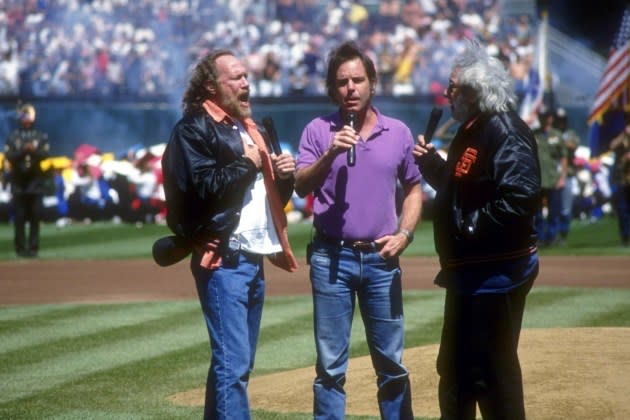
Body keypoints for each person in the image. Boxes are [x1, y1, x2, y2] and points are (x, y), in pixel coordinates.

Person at [159, 49, 298, 419]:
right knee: (232, 367)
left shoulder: (248, 127)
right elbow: (201, 187)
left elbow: (265, 201)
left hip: (252, 258)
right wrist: (246, 163)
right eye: (235, 77)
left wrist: (285, 178)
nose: (245, 83)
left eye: (246, 76)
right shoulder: (192, 128)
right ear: (211, 85)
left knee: (234, 365)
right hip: (224, 258)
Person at [413, 38, 541, 420]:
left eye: (453, 87)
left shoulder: (503, 130)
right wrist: (434, 166)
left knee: (492, 376)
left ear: (473, 92)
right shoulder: (472, 128)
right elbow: (465, 187)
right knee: (455, 371)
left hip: (495, 274)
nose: (447, 94)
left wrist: (467, 227)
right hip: (469, 273)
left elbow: (520, 198)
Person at [295, 41, 422, 419]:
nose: (350, 88)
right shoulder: (318, 131)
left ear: (372, 83)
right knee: (331, 368)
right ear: (333, 89)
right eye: (342, 82)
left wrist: (405, 233)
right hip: (331, 257)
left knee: (392, 365)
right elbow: (301, 185)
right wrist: (331, 153)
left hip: (382, 259)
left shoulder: (397, 131)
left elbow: (414, 187)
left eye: (357, 80)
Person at [4, 103, 50, 257]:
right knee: (20, 217)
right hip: (19, 182)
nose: (26, 119)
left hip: (35, 182)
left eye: (28, 115)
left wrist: (34, 150)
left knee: (35, 216)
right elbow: (9, 156)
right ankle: (20, 248)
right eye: (23, 116)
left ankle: (34, 247)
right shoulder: (13, 137)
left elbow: (45, 155)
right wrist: (23, 151)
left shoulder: (40, 136)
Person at [534, 106, 568, 247]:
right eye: (541, 116)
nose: (543, 119)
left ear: (551, 118)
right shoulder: (533, 134)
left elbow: (564, 158)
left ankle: (552, 237)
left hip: (553, 179)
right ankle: (540, 238)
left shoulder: (557, 135)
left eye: (546, 116)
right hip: (537, 180)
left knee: (554, 211)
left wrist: (562, 178)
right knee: (538, 213)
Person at [554, 107, 580, 245]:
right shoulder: (552, 133)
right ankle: (551, 236)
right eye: (558, 120)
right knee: (554, 209)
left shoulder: (570, 134)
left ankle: (563, 235)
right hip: (552, 175)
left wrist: (559, 141)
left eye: (562, 120)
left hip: (568, 174)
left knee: (565, 208)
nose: (560, 123)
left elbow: (573, 145)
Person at [609, 111, 630, 247]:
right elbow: (612, 146)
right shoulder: (621, 135)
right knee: (622, 210)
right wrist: (624, 134)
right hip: (622, 178)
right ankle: (625, 238)